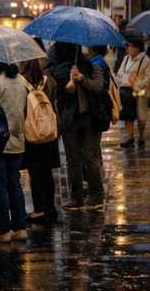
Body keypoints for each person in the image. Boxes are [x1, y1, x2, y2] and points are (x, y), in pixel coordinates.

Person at [51, 42, 108, 211]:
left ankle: (96, 196)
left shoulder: (93, 66)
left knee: (91, 158)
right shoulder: (60, 70)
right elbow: (56, 92)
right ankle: (76, 197)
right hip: (70, 119)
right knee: (73, 160)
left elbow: (99, 87)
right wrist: (67, 86)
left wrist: (81, 79)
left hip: (90, 118)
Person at [0, 60, 29, 242]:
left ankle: (2, 230)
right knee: (14, 184)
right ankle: (20, 227)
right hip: (18, 139)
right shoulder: (21, 80)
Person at [20, 57, 60, 225]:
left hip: (32, 133)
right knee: (47, 172)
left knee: (34, 173)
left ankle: (39, 210)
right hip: (49, 132)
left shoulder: (21, 83)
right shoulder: (49, 81)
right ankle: (51, 208)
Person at [115, 38, 150, 148]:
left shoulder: (145, 60)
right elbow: (120, 73)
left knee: (141, 116)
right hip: (126, 91)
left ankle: (141, 136)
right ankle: (130, 138)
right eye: (128, 46)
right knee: (128, 115)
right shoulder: (126, 58)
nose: (129, 49)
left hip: (140, 92)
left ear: (138, 48)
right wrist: (122, 81)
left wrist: (137, 84)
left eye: (132, 46)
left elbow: (149, 77)